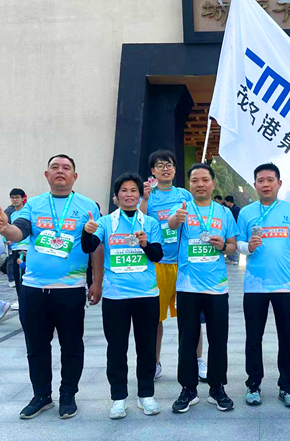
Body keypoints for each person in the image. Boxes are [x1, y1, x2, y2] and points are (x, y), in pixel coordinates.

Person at [0, 154, 104, 420]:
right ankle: (41, 396)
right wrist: (4, 228)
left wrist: (97, 282)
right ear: (46, 175)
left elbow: (96, 246)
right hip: (34, 289)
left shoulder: (88, 206)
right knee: (36, 346)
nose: (60, 171)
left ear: (75, 176)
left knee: (72, 345)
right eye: (55, 167)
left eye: (66, 168)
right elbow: (19, 231)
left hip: (70, 289)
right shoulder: (34, 204)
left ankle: (68, 395)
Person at [81, 173, 163, 419]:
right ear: (116, 196)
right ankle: (118, 397)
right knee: (116, 347)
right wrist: (87, 232)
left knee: (146, 346)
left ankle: (146, 395)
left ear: (140, 195)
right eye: (124, 190)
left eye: (133, 190)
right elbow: (88, 247)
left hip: (146, 294)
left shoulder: (150, 222)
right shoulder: (105, 222)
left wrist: (146, 244)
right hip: (115, 295)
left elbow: (158, 255)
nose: (129, 194)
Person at [236, 163, 290, 408]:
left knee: (286, 338)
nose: (265, 184)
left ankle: (287, 387)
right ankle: (253, 384)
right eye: (261, 180)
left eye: (270, 180)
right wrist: (248, 247)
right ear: (254, 184)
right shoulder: (246, 212)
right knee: (253, 337)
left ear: (279, 183)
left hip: (285, 285)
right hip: (254, 286)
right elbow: (238, 244)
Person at [167, 163, 237, 413]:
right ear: (189, 184)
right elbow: (171, 226)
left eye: (204, 180)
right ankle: (188, 389)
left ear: (213, 183)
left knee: (218, 338)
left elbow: (232, 246)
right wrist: (176, 218)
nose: (200, 184)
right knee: (187, 339)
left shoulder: (224, 213)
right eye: (195, 180)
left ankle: (217, 388)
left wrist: (222, 246)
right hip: (187, 286)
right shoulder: (182, 208)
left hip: (216, 287)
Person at [139, 150, 197, 380]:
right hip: (159, 264)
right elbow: (139, 221)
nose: (166, 169)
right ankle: (154, 363)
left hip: (183, 264)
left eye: (169, 165)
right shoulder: (148, 196)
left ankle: (197, 360)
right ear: (152, 171)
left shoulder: (184, 194)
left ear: (175, 169)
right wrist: (144, 199)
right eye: (160, 165)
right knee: (155, 318)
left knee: (191, 317)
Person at [5, 188, 27, 290]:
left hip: (25, 249)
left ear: (23, 199)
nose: (15, 200)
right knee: (17, 279)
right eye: (12, 197)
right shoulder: (13, 214)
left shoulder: (27, 212)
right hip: (15, 248)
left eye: (17, 197)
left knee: (24, 278)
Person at [224, 196, 241, 265]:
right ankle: (230, 258)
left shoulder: (236, 209)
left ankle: (235, 259)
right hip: (231, 228)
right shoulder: (229, 209)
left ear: (229, 202)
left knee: (234, 244)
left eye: (226, 202)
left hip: (235, 229)